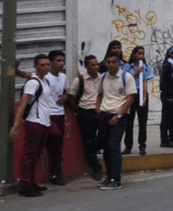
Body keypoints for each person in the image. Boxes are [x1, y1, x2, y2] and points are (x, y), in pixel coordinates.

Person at [10, 54, 54, 197]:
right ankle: (24, 185)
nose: (46, 67)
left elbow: (23, 73)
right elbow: (23, 103)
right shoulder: (33, 82)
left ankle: (31, 182)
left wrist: (16, 69)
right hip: (34, 122)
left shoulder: (44, 80)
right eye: (42, 65)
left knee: (35, 155)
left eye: (47, 64)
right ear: (36, 66)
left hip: (44, 121)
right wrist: (16, 126)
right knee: (29, 155)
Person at [96, 51, 137, 191]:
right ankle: (109, 177)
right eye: (108, 62)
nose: (111, 65)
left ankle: (116, 178)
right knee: (106, 148)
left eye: (114, 62)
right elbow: (100, 94)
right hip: (105, 115)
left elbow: (130, 98)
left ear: (119, 63)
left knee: (114, 147)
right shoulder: (103, 78)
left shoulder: (127, 77)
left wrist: (119, 116)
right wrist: (98, 109)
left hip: (119, 116)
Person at [67, 54, 105, 181]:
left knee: (102, 138)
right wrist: (78, 110)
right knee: (88, 141)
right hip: (86, 113)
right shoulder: (80, 80)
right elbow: (71, 97)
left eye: (97, 64)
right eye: (93, 65)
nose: (96, 67)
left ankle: (95, 151)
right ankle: (96, 168)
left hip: (100, 112)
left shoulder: (102, 78)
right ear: (86, 66)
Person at [42, 50, 69, 186]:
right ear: (51, 62)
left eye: (62, 61)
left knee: (57, 147)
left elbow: (65, 92)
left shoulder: (63, 77)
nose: (61, 64)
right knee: (44, 144)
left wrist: (65, 96)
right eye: (58, 61)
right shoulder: (45, 77)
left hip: (60, 114)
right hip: (47, 114)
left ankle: (56, 174)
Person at [124, 45, 151, 156]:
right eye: (139, 53)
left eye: (142, 54)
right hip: (131, 94)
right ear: (134, 54)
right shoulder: (127, 66)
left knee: (142, 122)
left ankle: (142, 146)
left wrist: (144, 97)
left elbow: (145, 83)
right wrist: (136, 72)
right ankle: (128, 146)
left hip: (141, 93)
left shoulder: (146, 67)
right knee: (129, 122)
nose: (141, 56)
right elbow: (125, 79)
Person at [159, 44, 173, 147]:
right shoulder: (168, 65)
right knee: (166, 118)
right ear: (172, 53)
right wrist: (169, 96)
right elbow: (165, 83)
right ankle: (164, 140)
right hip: (169, 95)